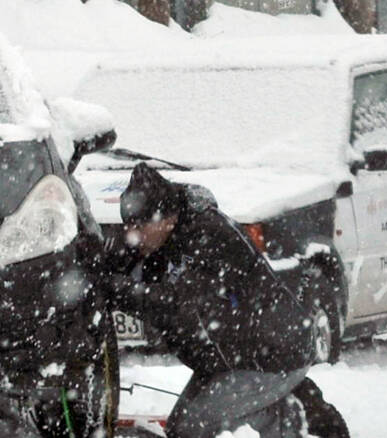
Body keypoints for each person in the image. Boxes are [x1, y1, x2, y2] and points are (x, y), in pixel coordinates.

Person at [104, 162, 349, 438]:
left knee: (193, 428)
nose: (133, 235)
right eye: (129, 226)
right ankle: (289, 405)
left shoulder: (208, 235)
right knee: (179, 429)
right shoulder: (164, 236)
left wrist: (117, 290)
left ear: (165, 217)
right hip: (230, 359)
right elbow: (123, 260)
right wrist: (96, 268)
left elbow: (180, 302)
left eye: (139, 226)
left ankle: (284, 414)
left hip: (270, 356)